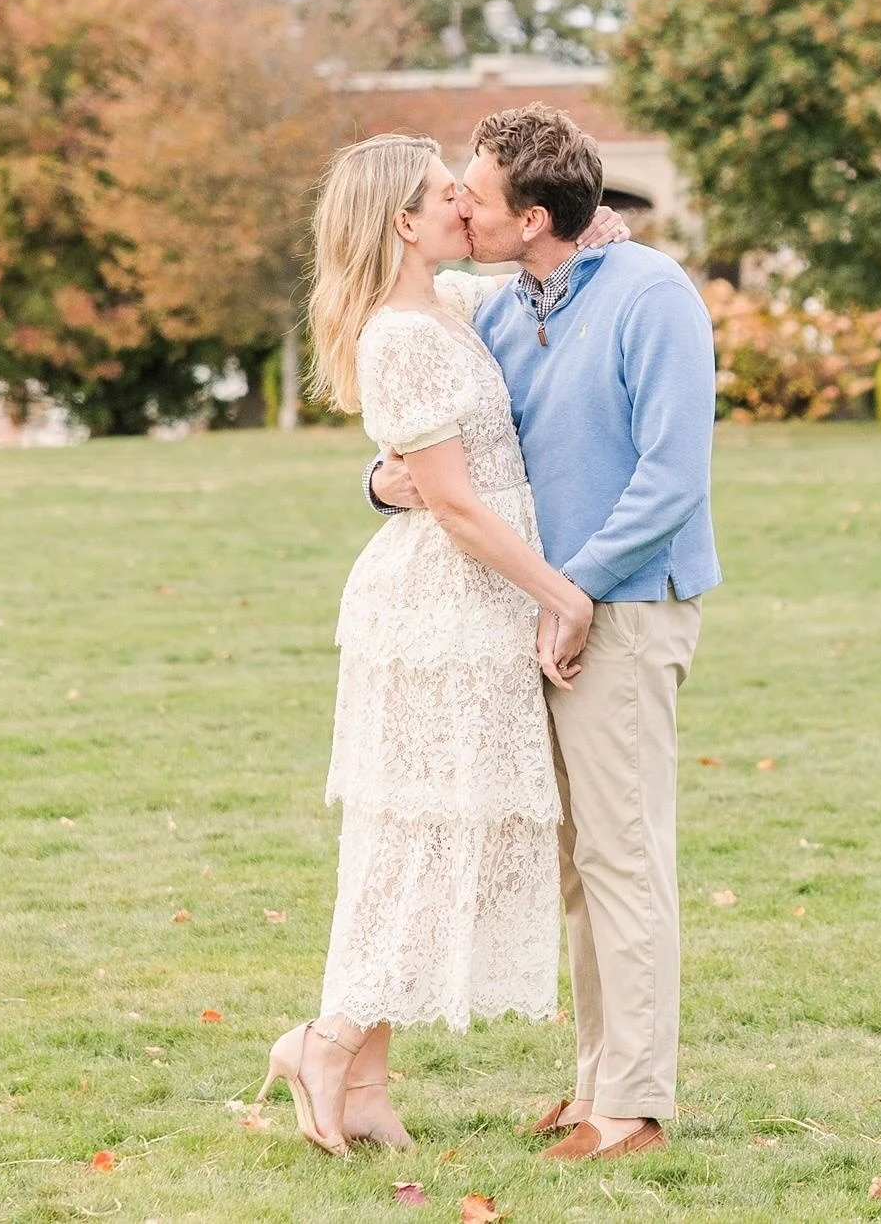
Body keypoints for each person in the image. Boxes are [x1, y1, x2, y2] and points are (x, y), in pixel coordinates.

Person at [256, 132, 626, 1157]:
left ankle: (360, 1077)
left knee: (443, 844)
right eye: (446, 194)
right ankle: (326, 1042)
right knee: (422, 846)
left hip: (478, 609)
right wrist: (566, 596)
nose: (469, 204)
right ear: (402, 223)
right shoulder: (402, 337)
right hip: (441, 612)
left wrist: (590, 228)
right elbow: (457, 506)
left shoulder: (450, 307)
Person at [369, 104, 720, 1161]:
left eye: (473, 195)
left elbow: (670, 479)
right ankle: (592, 1086)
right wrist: (384, 486)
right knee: (576, 862)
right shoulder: (502, 300)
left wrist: (577, 591)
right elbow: (432, 421)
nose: (457, 207)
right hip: (539, 614)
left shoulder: (652, 296)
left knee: (622, 854)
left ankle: (635, 1108)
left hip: (626, 605)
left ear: (530, 216)